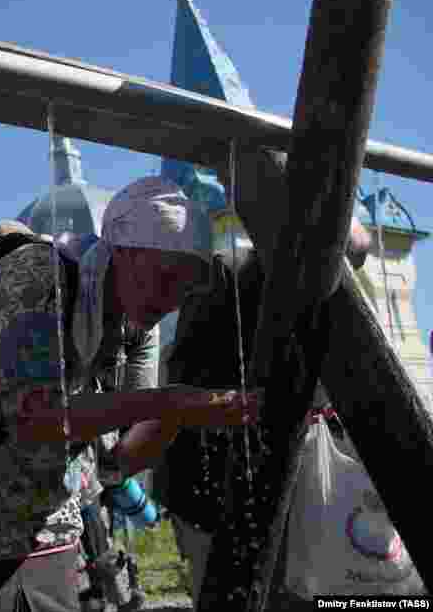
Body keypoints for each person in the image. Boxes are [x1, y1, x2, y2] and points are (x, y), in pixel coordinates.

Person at [0, 176, 261, 612]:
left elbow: (118, 459)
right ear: (121, 250)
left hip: (44, 527)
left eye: (187, 284)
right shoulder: (38, 274)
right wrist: (171, 402)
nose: (173, 297)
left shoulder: (136, 329)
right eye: (166, 275)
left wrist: (182, 414)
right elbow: (38, 418)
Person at [158, 217, 376, 611]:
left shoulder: (331, 295)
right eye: (340, 264)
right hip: (211, 482)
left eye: (350, 268)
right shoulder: (227, 274)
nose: (340, 277)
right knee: (228, 593)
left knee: (297, 589)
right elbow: (184, 379)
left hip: (284, 474)